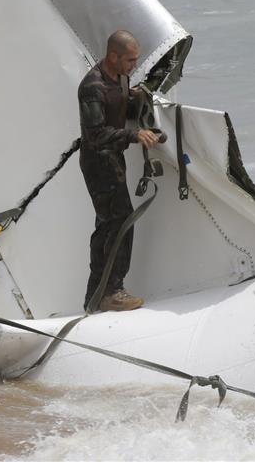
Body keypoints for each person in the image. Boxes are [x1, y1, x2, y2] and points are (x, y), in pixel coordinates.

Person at [78, 30, 160, 312]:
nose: (133, 66)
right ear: (113, 56)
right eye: (129, 60)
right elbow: (95, 135)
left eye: (136, 60)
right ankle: (112, 290)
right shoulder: (93, 87)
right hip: (98, 162)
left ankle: (95, 295)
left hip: (113, 159)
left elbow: (120, 108)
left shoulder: (120, 77)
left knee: (107, 225)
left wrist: (137, 97)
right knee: (120, 223)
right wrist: (133, 136)